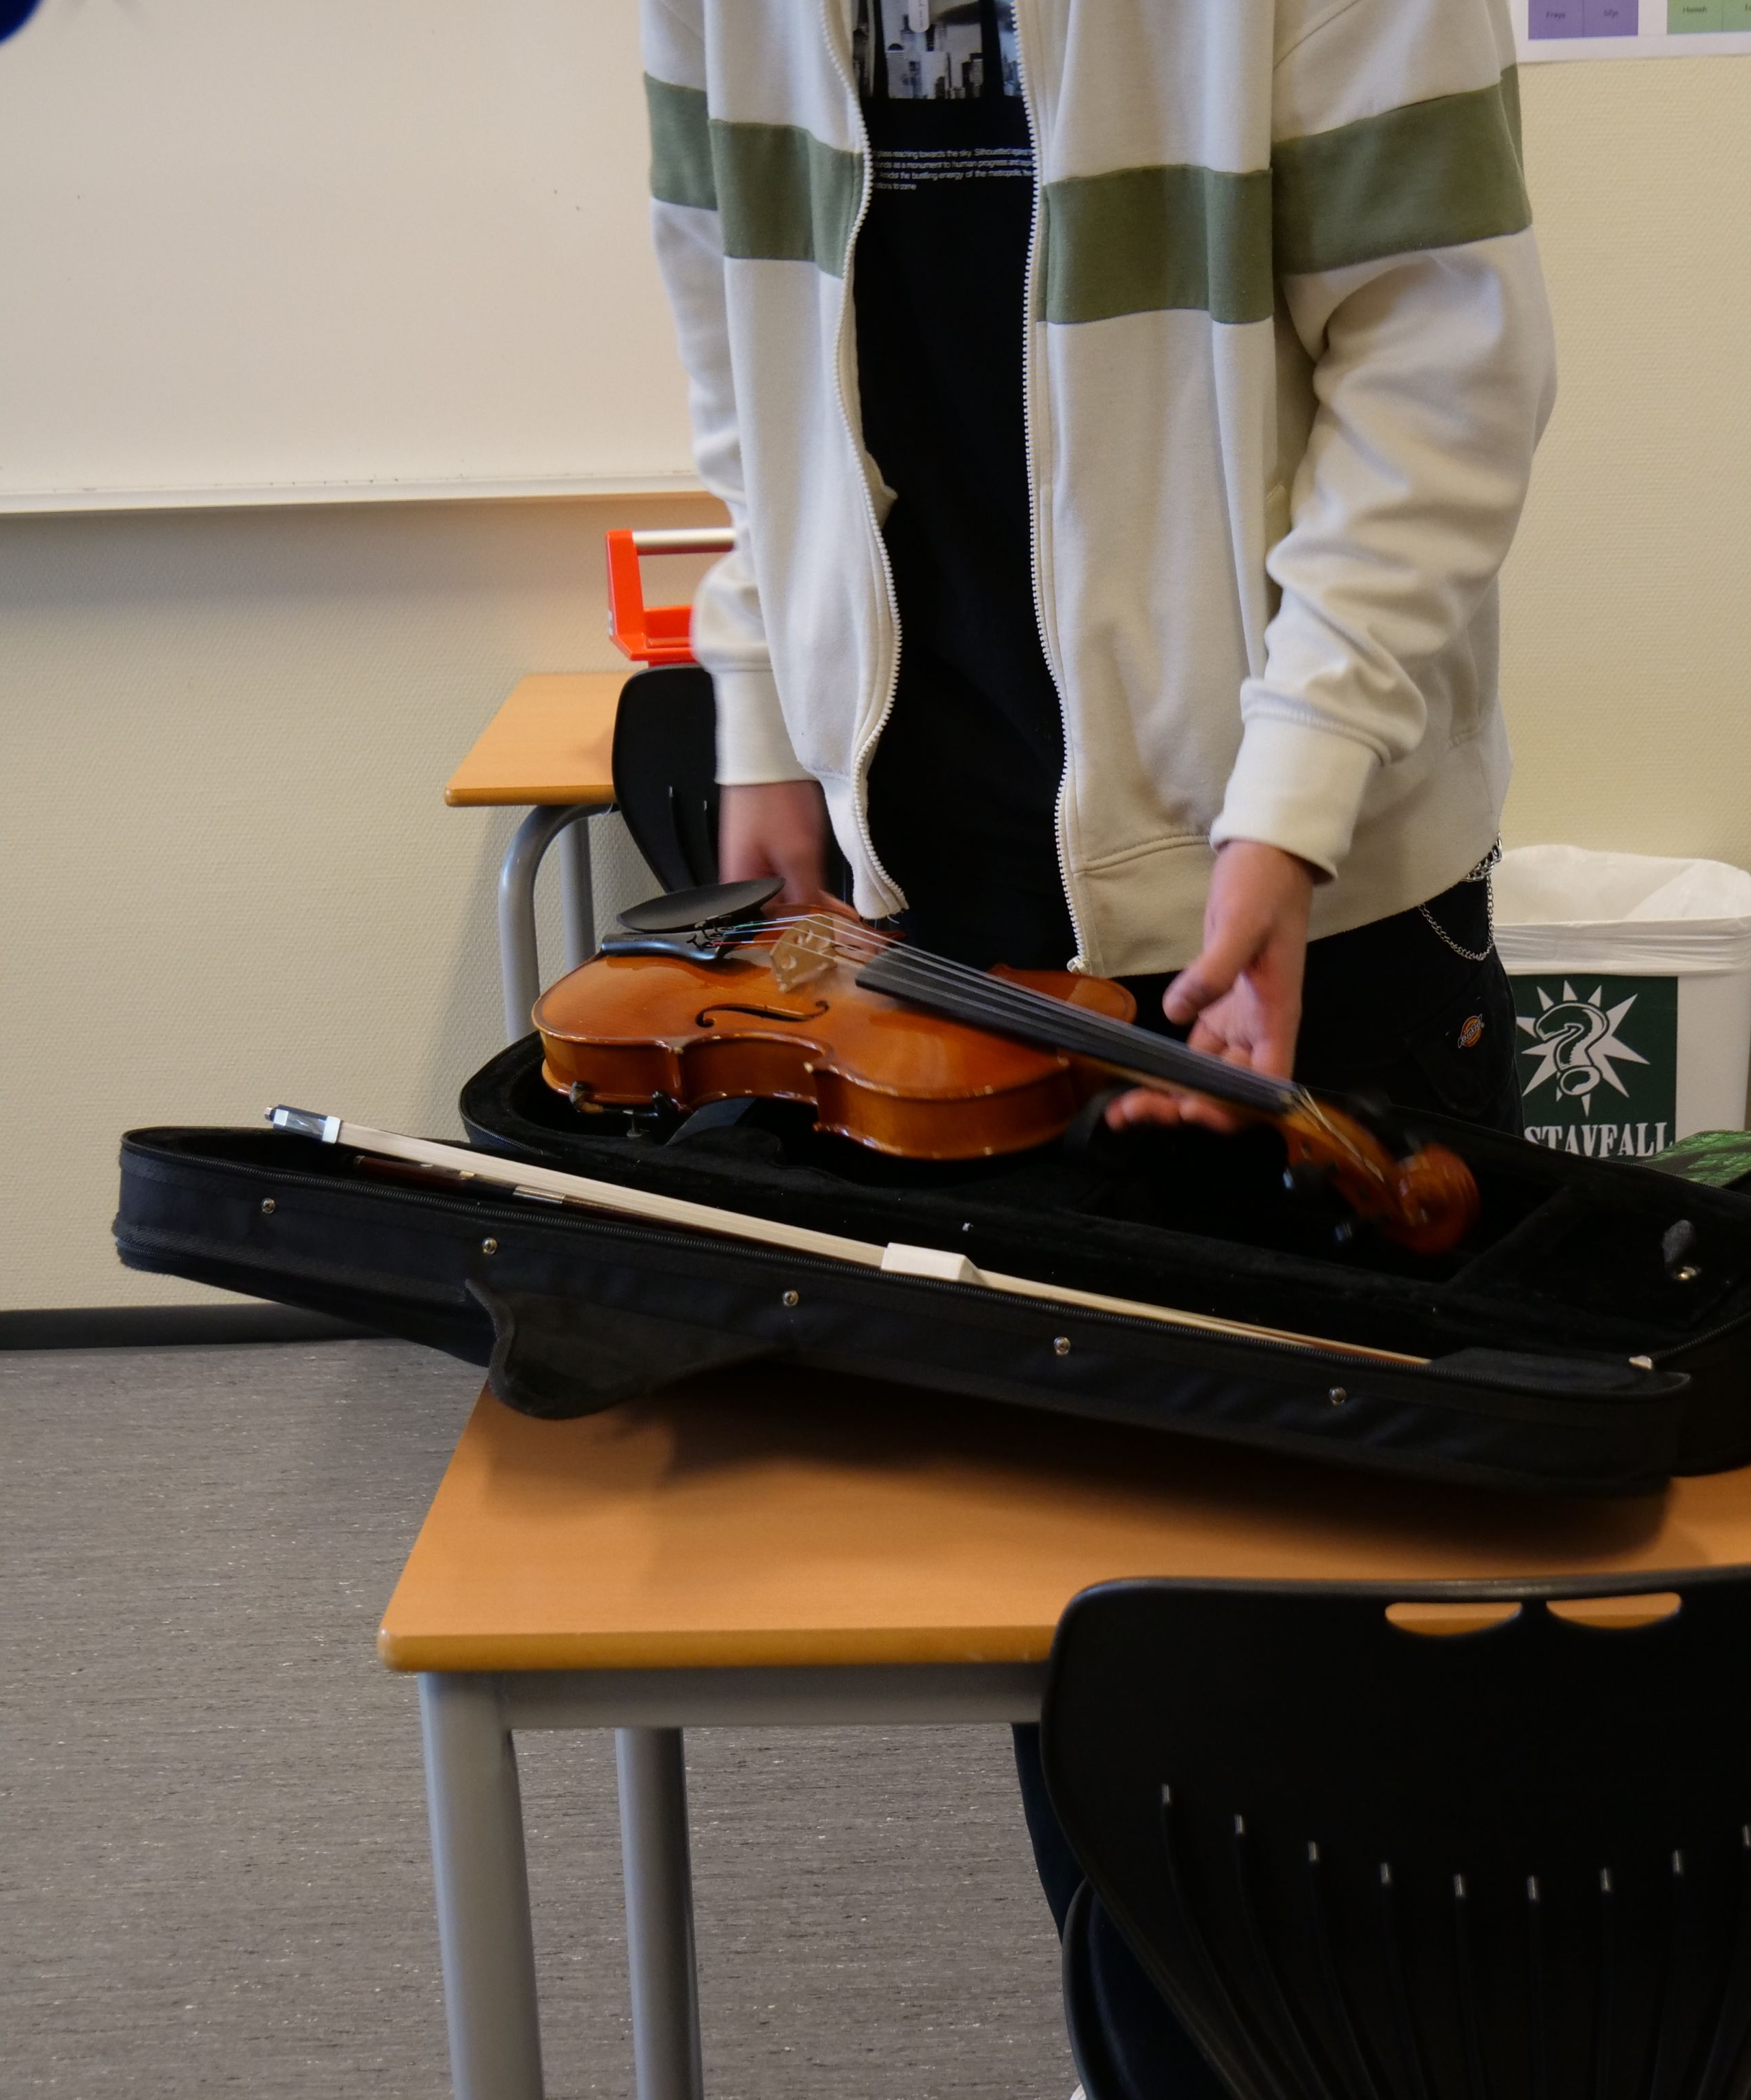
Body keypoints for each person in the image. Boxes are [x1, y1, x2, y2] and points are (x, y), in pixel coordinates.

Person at [642, 1, 1554, 2088]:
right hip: (935, 907)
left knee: (1388, 1652)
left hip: (1317, 885)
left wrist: (1288, 799)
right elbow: (729, 318)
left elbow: (1444, 370)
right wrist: (765, 696)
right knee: (1095, 1650)